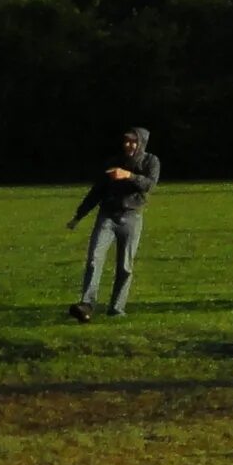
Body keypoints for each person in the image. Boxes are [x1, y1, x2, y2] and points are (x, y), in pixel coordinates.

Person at [66, 127, 160, 321]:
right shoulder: (113, 162)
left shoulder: (151, 161)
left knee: (125, 266)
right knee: (94, 258)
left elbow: (150, 185)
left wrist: (129, 176)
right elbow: (96, 191)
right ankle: (87, 304)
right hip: (107, 215)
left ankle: (116, 308)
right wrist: (79, 216)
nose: (129, 145)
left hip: (132, 217)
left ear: (141, 143)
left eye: (134, 142)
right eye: (126, 141)